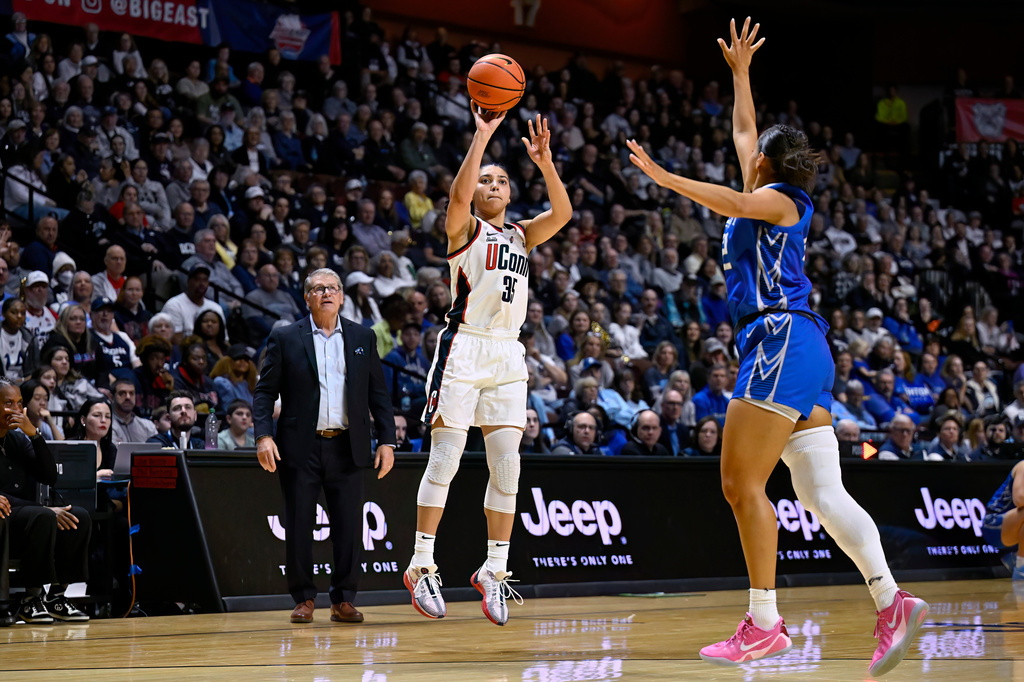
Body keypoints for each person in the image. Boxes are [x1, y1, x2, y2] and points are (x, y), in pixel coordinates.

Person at [625, 19, 927, 673]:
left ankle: (764, 624)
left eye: (755, 150)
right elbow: (742, 131)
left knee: (740, 484)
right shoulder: (763, 192)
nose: (746, 148)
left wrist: (662, 176)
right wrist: (740, 74)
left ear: (769, 162)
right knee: (819, 494)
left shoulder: (782, 199)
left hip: (780, 338)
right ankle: (891, 601)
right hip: (803, 346)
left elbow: (731, 190)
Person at [407, 110, 570, 626]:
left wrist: (544, 165)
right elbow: (455, 197)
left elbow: (563, 213)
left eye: (501, 179)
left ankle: (494, 571)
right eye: (485, 179)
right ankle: (421, 563)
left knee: (507, 469)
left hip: (507, 353)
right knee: (445, 462)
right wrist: (481, 137)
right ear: (474, 191)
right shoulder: (465, 229)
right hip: (464, 349)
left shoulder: (521, 235)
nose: (493, 184)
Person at [253, 268, 396, 625]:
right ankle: (303, 598)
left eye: (333, 288)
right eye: (319, 289)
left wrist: (388, 441)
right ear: (307, 298)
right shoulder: (286, 337)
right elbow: (264, 392)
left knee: (348, 527)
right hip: (300, 446)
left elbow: (378, 393)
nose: (326, 293)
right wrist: (263, 435)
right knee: (299, 525)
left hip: (348, 445)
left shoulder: (362, 336)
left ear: (343, 296)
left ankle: (343, 600)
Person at [0, 378, 90, 623]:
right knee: (42, 515)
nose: (16, 410)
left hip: (25, 516)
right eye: (9, 403)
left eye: (19, 404)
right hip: (6, 517)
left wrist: (34, 434)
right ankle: (31, 599)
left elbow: (50, 476)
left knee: (78, 516)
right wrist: (44, 510)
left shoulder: (17, 440)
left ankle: (56, 596)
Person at [982, 459, 1024, 580]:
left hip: (1013, 525)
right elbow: (1020, 499)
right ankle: (1021, 570)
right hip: (994, 523)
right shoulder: (1023, 466)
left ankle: (1015, 557)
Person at [0, 297, 38, 381]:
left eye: (23, 313)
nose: (19, 316)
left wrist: (23, 381)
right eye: (14, 312)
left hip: (23, 386)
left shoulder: (30, 339)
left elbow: (34, 370)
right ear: (3, 314)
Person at [110, 378, 157, 444]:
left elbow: (157, 452)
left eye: (131, 393)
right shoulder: (107, 425)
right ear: (111, 397)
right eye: (122, 393)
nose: (128, 397)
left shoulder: (148, 426)